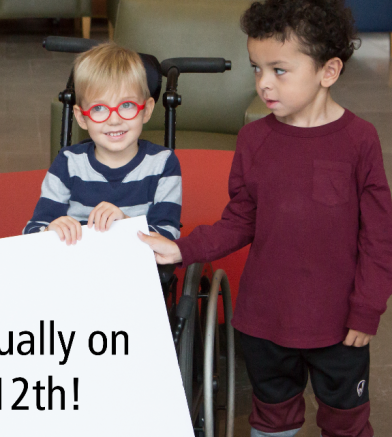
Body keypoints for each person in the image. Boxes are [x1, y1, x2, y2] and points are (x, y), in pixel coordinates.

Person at [139, 1, 392, 435]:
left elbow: (378, 237)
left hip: (338, 324)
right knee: (272, 416)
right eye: (256, 69)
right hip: (265, 320)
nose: (263, 84)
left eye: (279, 70)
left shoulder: (359, 141)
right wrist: (181, 249)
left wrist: (366, 310)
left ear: (328, 72)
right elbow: (240, 219)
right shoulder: (253, 139)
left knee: (346, 421)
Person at [24, 43, 181, 245]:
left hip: (134, 267)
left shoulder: (162, 164)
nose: (114, 119)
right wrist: (49, 229)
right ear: (81, 117)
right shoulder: (68, 163)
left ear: (147, 110)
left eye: (126, 105)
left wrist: (124, 224)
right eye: (99, 108)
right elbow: (31, 231)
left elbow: (168, 236)